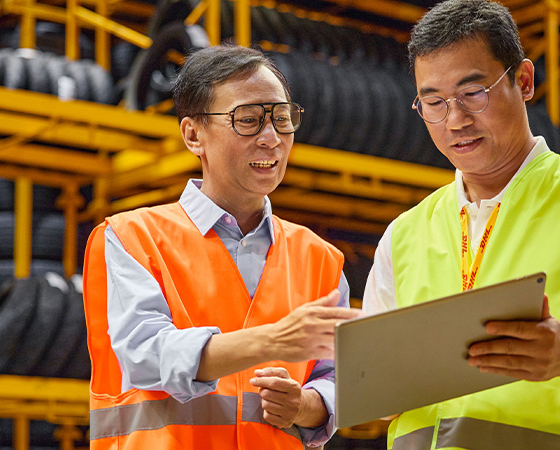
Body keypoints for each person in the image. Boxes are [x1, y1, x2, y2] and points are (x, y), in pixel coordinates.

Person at [363, 0, 560, 448]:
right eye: (433, 102)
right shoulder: (405, 234)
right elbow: (377, 392)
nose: (455, 120)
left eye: (473, 93)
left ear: (523, 81)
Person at [83, 44, 362, 450]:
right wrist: (272, 341)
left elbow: (338, 377)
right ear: (193, 134)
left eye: (282, 120)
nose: (271, 139)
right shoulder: (133, 238)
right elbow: (146, 354)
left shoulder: (319, 258)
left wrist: (304, 404)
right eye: (248, 120)